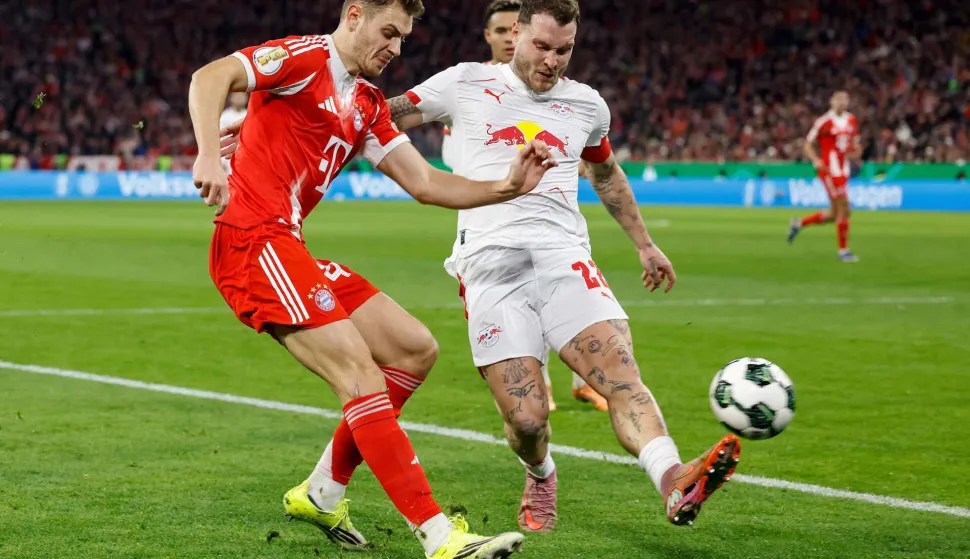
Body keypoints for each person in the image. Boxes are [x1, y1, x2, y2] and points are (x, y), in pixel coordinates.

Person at [188, 0, 556, 557]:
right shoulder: (304, 58)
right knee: (361, 377)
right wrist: (207, 157)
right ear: (354, 15)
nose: (395, 48)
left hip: (289, 246)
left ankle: (322, 491)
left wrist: (506, 188)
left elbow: (425, 182)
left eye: (403, 37)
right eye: (389, 32)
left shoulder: (366, 104)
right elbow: (210, 76)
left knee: (413, 348)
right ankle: (439, 536)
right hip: (252, 241)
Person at [384, 0, 742, 534]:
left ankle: (673, 479)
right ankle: (540, 472)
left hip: (564, 256)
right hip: (489, 265)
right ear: (518, 33)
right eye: (542, 46)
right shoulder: (464, 83)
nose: (552, 61)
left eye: (564, 50)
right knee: (527, 421)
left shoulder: (586, 105)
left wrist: (645, 245)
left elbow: (606, 174)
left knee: (621, 376)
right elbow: (380, 114)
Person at [441, 0, 607, 413]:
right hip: (490, 223)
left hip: (550, 222)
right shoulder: (471, 88)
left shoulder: (559, 92)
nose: (505, 38)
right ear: (493, 36)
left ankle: (583, 381)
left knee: (569, 293)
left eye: (509, 29)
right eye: (499, 31)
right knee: (521, 305)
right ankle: (541, 385)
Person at [788, 90, 862, 262]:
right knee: (845, 209)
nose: (842, 102)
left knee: (835, 213)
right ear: (831, 101)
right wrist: (816, 160)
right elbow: (808, 144)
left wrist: (856, 150)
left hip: (843, 169)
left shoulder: (851, 120)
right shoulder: (824, 121)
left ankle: (799, 223)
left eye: (845, 99)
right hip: (829, 170)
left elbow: (854, 142)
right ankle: (843, 251)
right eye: (838, 99)